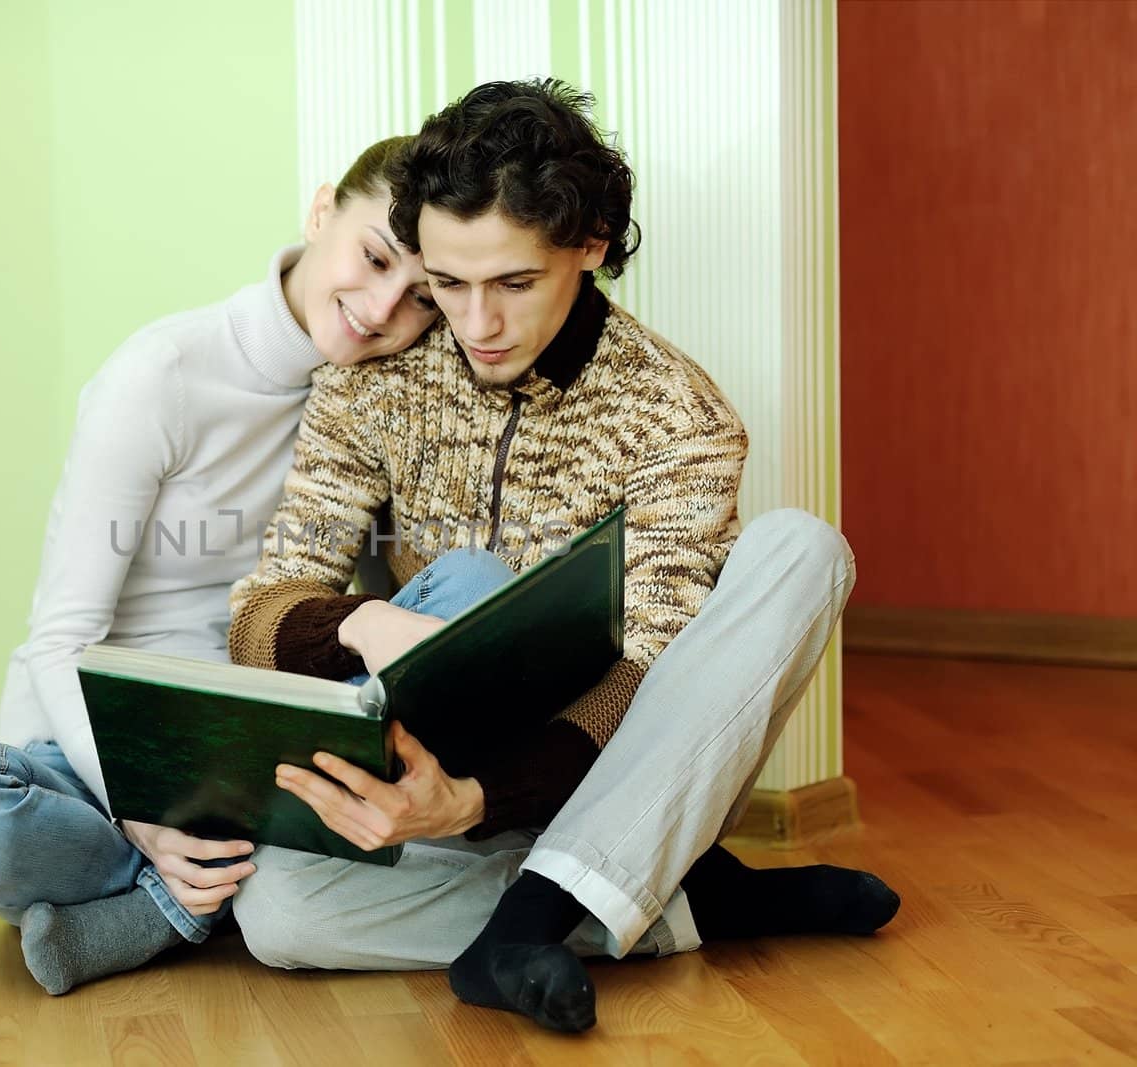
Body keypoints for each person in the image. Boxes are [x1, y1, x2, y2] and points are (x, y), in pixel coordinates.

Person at [226, 80, 898, 1033]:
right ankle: (682, 900)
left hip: (627, 769)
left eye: (513, 283)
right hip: (448, 782)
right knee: (280, 914)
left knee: (804, 549)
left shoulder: (680, 417)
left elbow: (653, 680)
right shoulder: (375, 378)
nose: (476, 324)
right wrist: (367, 629)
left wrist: (478, 798)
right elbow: (260, 613)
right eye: (447, 284)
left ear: (589, 246)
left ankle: (539, 918)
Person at [0, 136, 442, 996]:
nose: (380, 308)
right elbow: (61, 636)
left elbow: (377, 604)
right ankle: (188, 886)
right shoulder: (161, 375)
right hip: (102, 747)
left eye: (419, 298)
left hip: (267, 745)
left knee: (458, 604)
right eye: (372, 258)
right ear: (323, 209)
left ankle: (165, 912)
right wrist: (140, 810)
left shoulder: (388, 394)